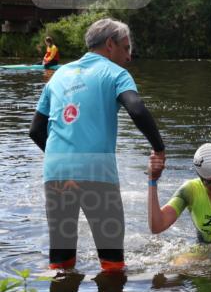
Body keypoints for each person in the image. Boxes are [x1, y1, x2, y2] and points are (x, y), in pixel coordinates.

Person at [29, 18, 166, 272]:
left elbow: (36, 130)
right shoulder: (115, 73)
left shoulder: (58, 76)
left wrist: (60, 159)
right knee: (113, 264)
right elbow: (136, 108)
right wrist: (159, 148)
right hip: (97, 173)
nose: (129, 57)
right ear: (110, 45)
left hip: (55, 174)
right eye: (126, 48)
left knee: (61, 261)